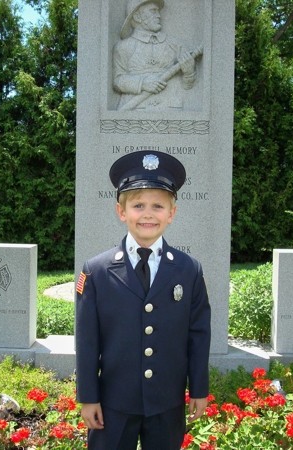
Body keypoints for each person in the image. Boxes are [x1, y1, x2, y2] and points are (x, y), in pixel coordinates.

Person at [75, 150, 211, 450]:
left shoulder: (189, 269)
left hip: (167, 403)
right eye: (138, 205)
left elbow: (198, 334)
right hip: (113, 403)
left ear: (171, 213)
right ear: (121, 211)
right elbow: (87, 341)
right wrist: (88, 396)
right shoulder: (96, 271)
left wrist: (199, 389)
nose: (148, 214)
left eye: (158, 206)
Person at [113, 0, 199, 111]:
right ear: (137, 17)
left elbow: (188, 86)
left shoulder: (175, 45)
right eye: (153, 11)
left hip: (170, 109)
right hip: (134, 108)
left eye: (158, 11)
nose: (159, 16)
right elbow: (118, 81)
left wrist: (189, 73)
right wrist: (142, 83)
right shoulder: (123, 47)